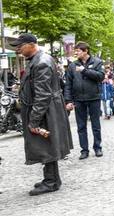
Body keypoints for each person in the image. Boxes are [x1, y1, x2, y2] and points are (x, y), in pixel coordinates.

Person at [10, 33, 73, 195]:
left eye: (20, 45)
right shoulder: (39, 60)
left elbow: (43, 95)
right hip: (46, 109)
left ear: (31, 44)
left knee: (46, 144)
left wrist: (34, 120)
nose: (18, 49)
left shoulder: (41, 62)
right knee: (47, 143)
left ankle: (51, 181)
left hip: (45, 111)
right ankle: (52, 178)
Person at [64, 41, 105, 159]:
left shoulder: (97, 62)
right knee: (81, 126)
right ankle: (84, 150)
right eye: (75, 50)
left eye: (78, 50)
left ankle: (97, 147)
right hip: (79, 99)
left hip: (94, 97)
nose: (76, 52)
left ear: (86, 51)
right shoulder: (72, 65)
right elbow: (68, 84)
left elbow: (100, 77)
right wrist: (68, 101)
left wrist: (85, 71)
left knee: (95, 125)